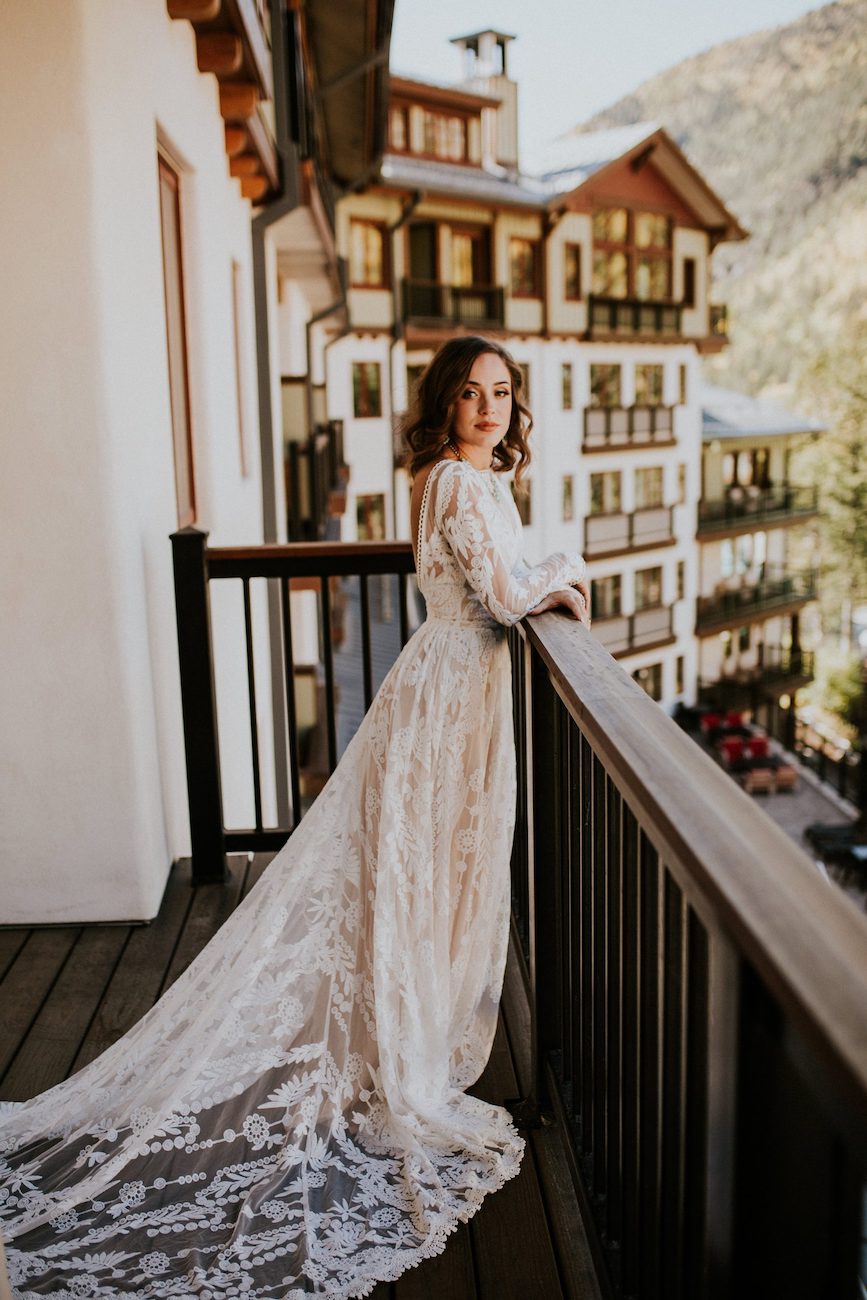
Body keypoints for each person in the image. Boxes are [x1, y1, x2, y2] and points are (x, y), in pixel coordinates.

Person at [0, 335, 589, 1298]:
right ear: (444, 404)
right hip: (445, 699)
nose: (488, 406)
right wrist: (565, 570)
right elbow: (501, 593)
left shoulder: (486, 476)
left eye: (502, 392)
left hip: (468, 701)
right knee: (412, 877)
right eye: (471, 393)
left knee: (441, 877)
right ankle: (400, 1051)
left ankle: (413, 1033)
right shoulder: (450, 478)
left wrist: (540, 567)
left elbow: (504, 582)